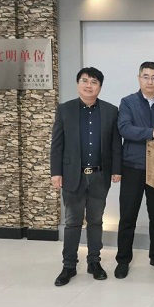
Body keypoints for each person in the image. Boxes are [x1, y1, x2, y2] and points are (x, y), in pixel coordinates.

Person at [50, 67, 122, 286]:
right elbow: (57, 144)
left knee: (96, 221)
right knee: (72, 222)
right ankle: (69, 266)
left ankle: (94, 262)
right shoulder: (65, 109)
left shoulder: (110, 111)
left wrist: (117, 169)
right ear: (78, 84)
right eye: (84, 81)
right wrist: (56, 172)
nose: (89, 85)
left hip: (99, 176)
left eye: (94, 82)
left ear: (100, 87)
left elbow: (115, 144)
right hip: (73, 176)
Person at [115, 61, 154, 279]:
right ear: (139, 78)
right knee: (127, 216)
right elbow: (124, 129)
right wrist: (151, 132)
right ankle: (123, 260)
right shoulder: (128, 102)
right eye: (146, 76)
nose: (150, 81)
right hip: (132, 166)